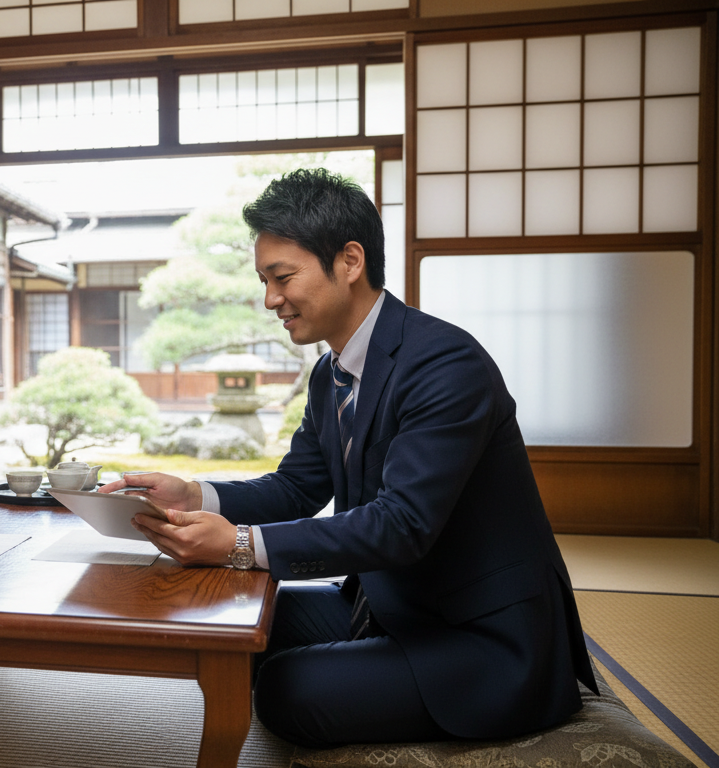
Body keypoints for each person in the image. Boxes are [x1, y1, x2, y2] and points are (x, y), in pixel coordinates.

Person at [100, 169, 596, 747]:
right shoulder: (329, 373)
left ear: (350, 261)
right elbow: (296, 488)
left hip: (480, 636)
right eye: (264, 280)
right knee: (236, 624)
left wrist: (239, 544)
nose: (270, 299)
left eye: (283, 277)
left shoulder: (445, 364)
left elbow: (402, 524)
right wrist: (195, 495)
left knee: (288, 687)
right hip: (391, 604)